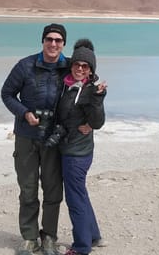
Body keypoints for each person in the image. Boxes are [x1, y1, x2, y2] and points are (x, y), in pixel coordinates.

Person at [0, 23, 71, 255]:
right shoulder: (25, 65)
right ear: (42, 41)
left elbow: (88, 81)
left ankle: (49, 237)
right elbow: (7, 93)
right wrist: (24, 113)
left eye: (58, 40)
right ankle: (29, 237)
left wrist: (100, 92)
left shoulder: (69, 67)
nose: (53, 44)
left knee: (52, 190)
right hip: (26, 137)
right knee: (28, 189)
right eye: (49, 39)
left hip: (54, 138)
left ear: (63, 44)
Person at [54, 39, 107, 255]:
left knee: (74, 198)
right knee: (80, 193)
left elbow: (97, 121)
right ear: (72, 65)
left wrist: (98, 97)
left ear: (91, 70)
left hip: (77, 152)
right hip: (69, 147)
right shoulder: (66, 84)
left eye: (85, 66)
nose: (80, 69)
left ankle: (82, 247)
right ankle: (93, 236)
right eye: (77, 64)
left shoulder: (90, 90)